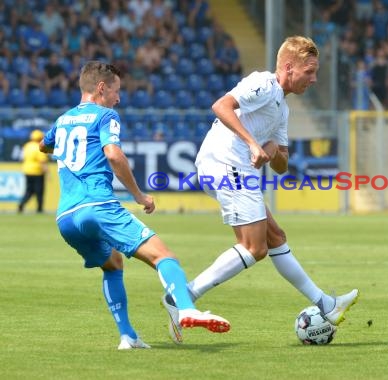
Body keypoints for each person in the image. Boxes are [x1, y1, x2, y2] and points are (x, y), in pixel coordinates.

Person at [161, 36, 359, 344]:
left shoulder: (282, 110)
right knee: (255, 248)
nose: (314, 78)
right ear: (289, 68)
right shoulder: (264, 84)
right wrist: (253, 143)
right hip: (226, 164)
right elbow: (221, 106)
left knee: (275, 237)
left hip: (234, 168)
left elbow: (282, 164)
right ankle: (182, 298)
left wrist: (269, 148)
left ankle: (326, 305)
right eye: (309, 71)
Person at [39, 61, 230, 350]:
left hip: (66, 216)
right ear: (101, 88)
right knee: (164, 257)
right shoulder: (106, 115)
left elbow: (44, 145)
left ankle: (127, 336)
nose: (119, 98)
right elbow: (114, 156)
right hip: (98, 205)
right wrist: (139, 196)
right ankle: (186, 309)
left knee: (112, 264)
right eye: (116, 91)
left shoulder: (63, 119)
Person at [18, 129, 48, 213]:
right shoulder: (39, 146)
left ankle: (21, 204)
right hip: (37, 172)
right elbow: (43, 161)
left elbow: (22, 158)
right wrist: (47, 172)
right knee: (39, 191)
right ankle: (39, 209)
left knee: (29, 190)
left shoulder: (27, 145)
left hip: (27, 171)